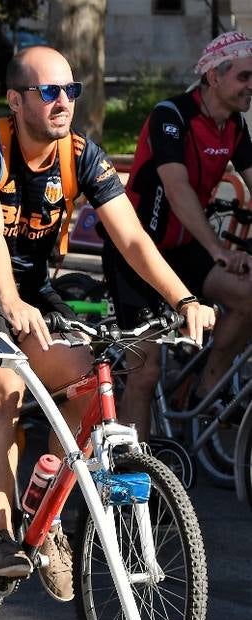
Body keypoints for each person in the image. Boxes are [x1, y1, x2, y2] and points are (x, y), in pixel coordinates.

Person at [0, 46, 216, 600]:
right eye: (48, 91)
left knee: (84, 379)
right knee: (5, 389)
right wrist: (9, 304)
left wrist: (182, 298)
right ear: (16, 99)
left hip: (30, 289)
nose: (62, 102)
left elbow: (131, 238)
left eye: (70, 91)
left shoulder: (81, 155)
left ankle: (46, 511)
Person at [105, 31, 252, 440]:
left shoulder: (234, 126)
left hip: (184, 248)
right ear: (213, 78)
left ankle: (207, 391)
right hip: (137, 250)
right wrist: (217, 249)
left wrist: (214, 251)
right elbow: (176, 188)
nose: (251, 86)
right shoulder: (171, 115)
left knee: (247, 294)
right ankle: (136, 473)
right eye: (244, 76)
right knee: (145, 370)